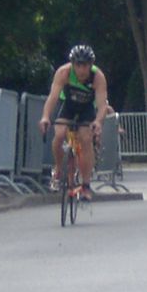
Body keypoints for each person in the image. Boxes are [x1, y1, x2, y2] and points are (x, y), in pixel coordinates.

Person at [39, 45, 109, 201]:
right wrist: (45, 117)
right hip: (68, 107)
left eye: (85, 65)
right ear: (72, 64)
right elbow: (53, 97)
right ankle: (58, 168)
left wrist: (98, 122)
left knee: (85, 138)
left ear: (91, 65)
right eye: (78, 65)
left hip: (86, 109)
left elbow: (102, 105)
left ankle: (85, 185)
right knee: (59, 134)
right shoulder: (63, 73)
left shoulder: (98, 77)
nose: (82, 70)